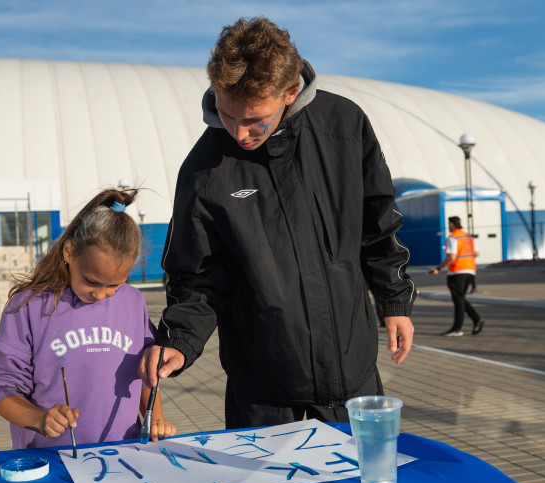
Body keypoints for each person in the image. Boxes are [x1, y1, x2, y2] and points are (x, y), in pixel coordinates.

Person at [139, 17, 416, 430]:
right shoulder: (204, 170)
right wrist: (180, 340)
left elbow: (377, 224)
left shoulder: (344, 126)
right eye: (227, 114)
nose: (240, 134)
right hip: (261, 387)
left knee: (358, 474)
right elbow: (197, 277)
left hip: (351, 373)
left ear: (290, 93)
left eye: (256, 120)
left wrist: (394, 302)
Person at [0, 188, 176, 449]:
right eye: (91, 281)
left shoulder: (133, 301)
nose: (100, 295)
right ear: (69, 252)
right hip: (49, 458)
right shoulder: (30, 305)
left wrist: (155, 420)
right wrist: (39, 419)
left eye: (114, 285)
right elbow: (5, 390)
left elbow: (145, 375)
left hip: (125, 453)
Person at [429, 216, 485, 337]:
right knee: (460, 299)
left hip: (457, 272)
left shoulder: (453, 238)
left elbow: (451, 257)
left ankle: (458, 328)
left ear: (452, 224)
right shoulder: (469, 237)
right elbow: (477, 253)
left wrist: (438, 268)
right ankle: (475, 320)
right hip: (470, 271)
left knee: (458, 300)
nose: (448, 226)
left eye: (449, 224)